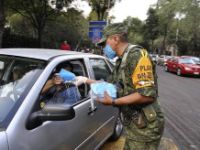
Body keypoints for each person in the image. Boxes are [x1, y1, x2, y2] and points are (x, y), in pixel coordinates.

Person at [76, 23, 164, 150]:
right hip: (136, 123)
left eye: (105, 43)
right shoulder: (121, 61)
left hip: (146, 127)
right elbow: (111, 87)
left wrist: (113, 101)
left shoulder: (137, 55)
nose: (103, 48)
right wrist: (85, 80)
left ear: (116, 39)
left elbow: (146, 95)